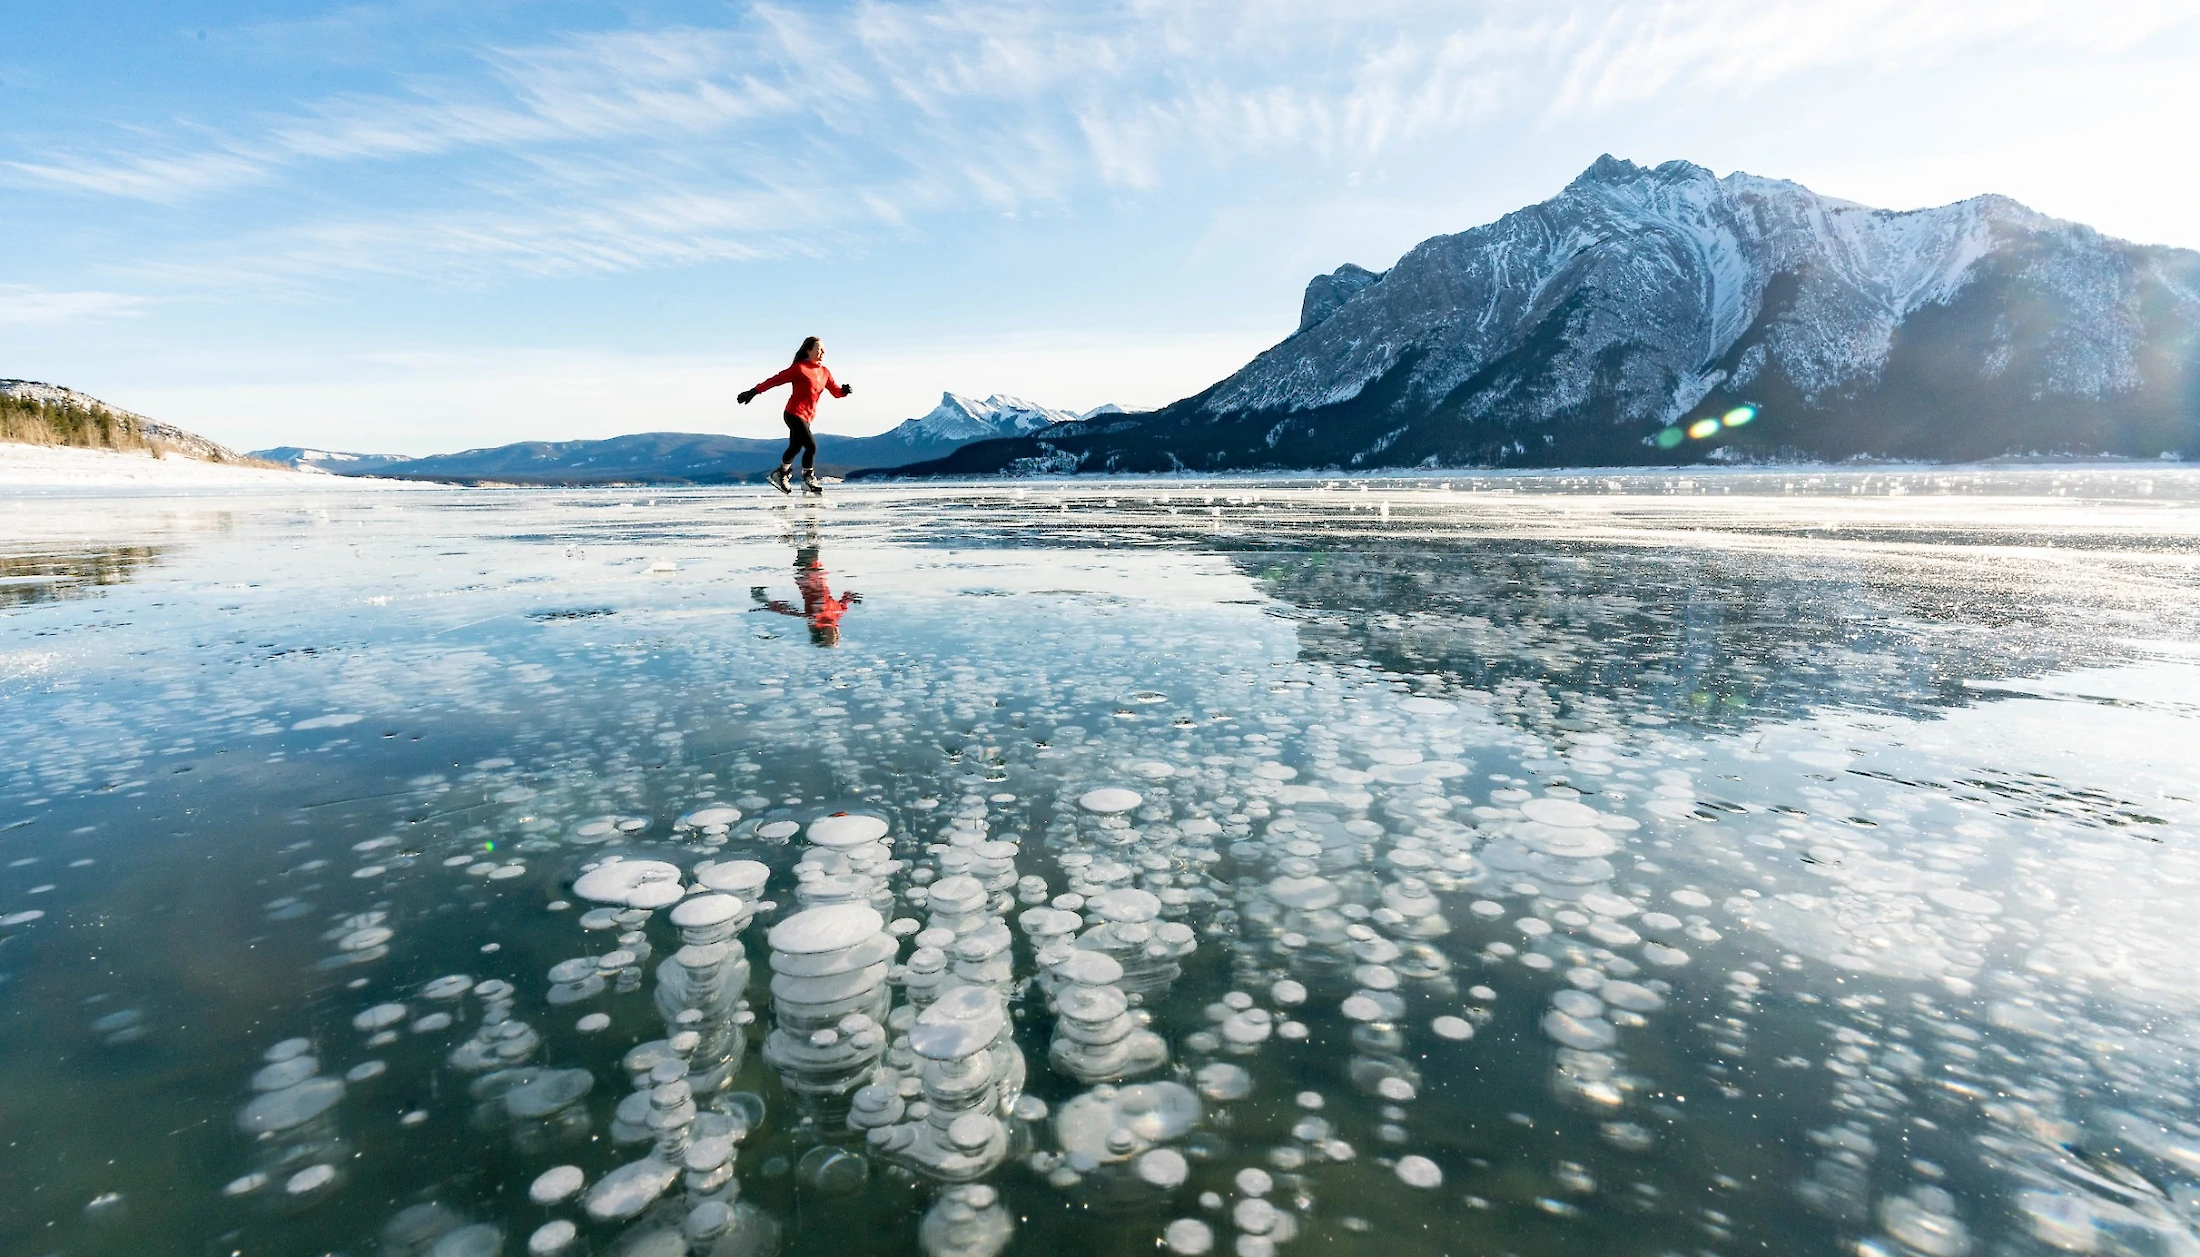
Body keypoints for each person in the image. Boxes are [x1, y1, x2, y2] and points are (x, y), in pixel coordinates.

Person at [738, 335, 851, 495]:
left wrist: (844, 391)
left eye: (824, 351)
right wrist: (753, 392)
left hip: (807, 417)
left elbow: (835, 392)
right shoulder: (799, 369)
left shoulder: (824, 372)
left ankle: (780, 474)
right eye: (818, 350)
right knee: (811, 446)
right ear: (808, 350)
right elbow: (775, 380)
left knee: (796, 446)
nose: (822, 353)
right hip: (793, 413)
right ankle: (808, 479)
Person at [751, 538, 860, 646]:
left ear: (824, 635)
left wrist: (767, 604)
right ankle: (793, 532)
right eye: (836, 638)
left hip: (806, 575)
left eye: (834, 639)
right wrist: (852, 597)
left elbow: (791, 611)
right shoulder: (836, 615)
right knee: (810, 544)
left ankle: (793, 530)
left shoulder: (815, 618)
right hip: (816, 572)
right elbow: (845, 598)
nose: (837, 636)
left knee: (811, 544)